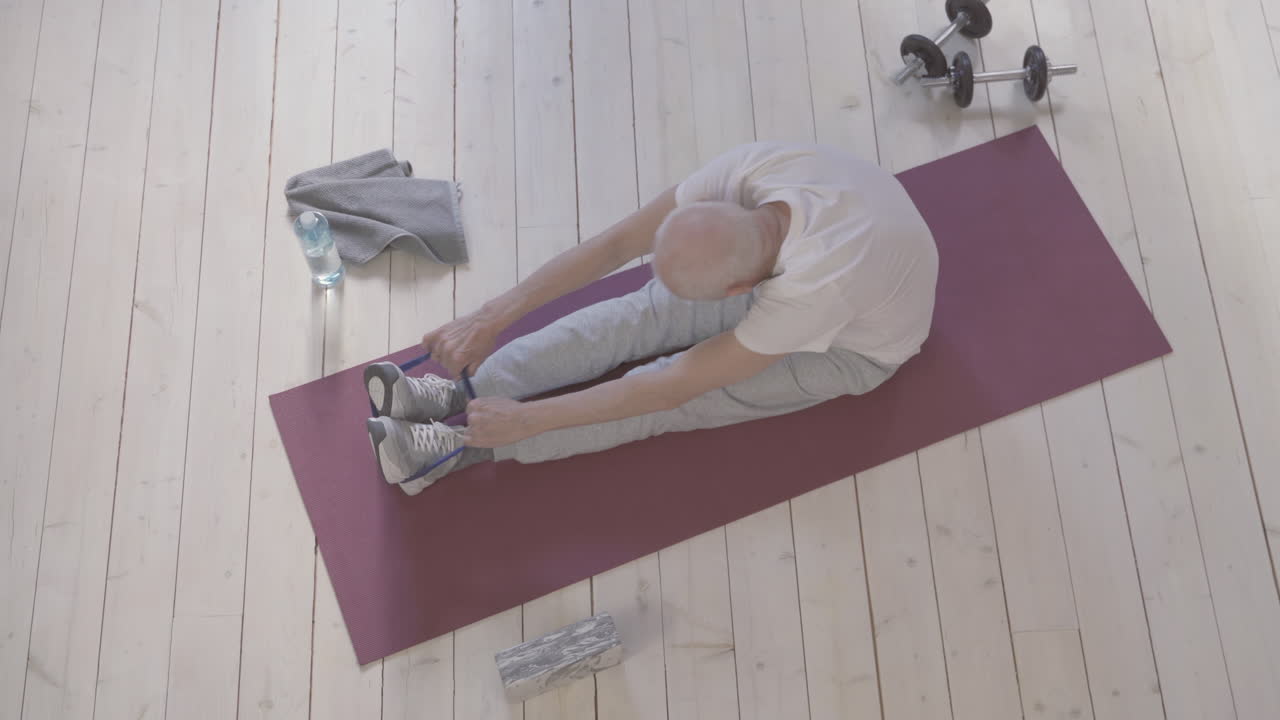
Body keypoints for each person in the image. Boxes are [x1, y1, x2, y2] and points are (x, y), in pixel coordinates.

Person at [365, 141, 939, 495]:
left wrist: (530, 420)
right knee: (640, 313)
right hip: (828, 259)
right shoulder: (752, 171)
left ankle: (460, 447)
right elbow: (616, 245)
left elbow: (670, 388)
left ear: (740, 290)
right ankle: (459, 393)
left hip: (853, 348)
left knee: (690, 397)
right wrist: (490, 317)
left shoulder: (816, 289)